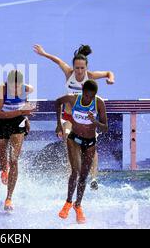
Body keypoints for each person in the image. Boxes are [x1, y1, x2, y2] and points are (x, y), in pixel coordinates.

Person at [34, 44, 114, 190]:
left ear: (86, 68)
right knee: (69, 142)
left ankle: (94, 179)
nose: (79, 71)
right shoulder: (68, 73)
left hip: (86, 118)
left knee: (91, 147)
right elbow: (57, 61)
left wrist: (110, 79)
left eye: (82, 68)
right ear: (73, 67)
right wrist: (44, 53)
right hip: (69, 117)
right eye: (77, 68)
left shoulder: (91, 76)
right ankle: (71, 175)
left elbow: (109, 73)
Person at [55, 80, 108, 224]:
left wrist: (95, 121)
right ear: (82, 91)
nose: (87, 99)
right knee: (75, 172)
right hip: (74, 139)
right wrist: (59, 124)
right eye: (86, 95)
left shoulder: (99, 103)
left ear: (95, 95)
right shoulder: (74, 99)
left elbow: (105, 128)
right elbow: (57, 102)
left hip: (90, 142)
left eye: (90, 97)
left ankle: (77, 205)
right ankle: (67, 202)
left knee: (84, 177)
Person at [0, 70, 35, 211]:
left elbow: (28, 105)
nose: (15, 90)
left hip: (18, 122)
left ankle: (9, 198)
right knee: (1, 162)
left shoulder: (28, 89)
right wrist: (22, 112)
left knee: (14, 160)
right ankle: (4, 170)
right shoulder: (2, 89)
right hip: (2, 121)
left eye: (18, 87)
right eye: (12, 87)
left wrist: (26, 117)